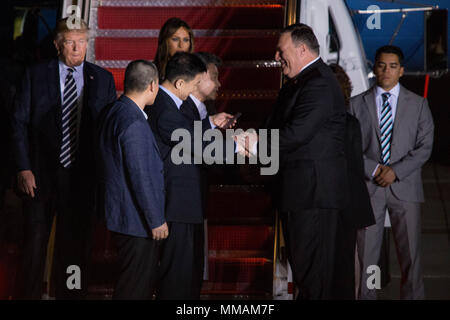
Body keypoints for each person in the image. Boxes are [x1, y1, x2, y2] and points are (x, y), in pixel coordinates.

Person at [11, 17, 117, 299]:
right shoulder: (36, 75)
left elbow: (107, 130)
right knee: (34, 244)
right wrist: (23, 167)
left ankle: (69, 295)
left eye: (82, 41)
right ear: (58, 44)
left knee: (75, 247)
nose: (76, 48)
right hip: (40, 174)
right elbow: (18, 122)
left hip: (81, 178)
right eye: (70, 41)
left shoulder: (102, 79)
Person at [255, 23, 349, 299]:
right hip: (301, 196)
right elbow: (277, 125)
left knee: (313, 278)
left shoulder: (318, 82)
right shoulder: (301, 82)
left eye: (280, 50)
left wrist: (254, 143)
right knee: (306, 274)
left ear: (303, 49)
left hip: (313, 198)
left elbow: (297, 133)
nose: (275, 56)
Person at [146, 52, 234, 299]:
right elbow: (191, 142)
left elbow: (184, 134)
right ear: (180, 84)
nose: (197, 90)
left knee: (184, 275)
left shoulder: (168, 104)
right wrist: (239, 146)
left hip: (182, 203)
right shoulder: (165, 108)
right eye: (196, 84)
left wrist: (210, 123)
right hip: (175, 203)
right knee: (176, 278)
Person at [349, 45, 434, 300]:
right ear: (374, 68)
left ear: (402, 71)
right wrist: (374, 169)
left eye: (393, 66)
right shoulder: (355, 104)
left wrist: (394, 172)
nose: (387, 71)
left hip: (405, 189)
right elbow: (348, 147)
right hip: (369, 189)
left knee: (411, 259)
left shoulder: (418, 105)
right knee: (367, 261)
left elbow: (424, 147)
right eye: (382, 65)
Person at [96, 60, 167, 299]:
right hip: (136, 223)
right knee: (134, 288)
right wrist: (156, 220)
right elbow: (141, 177)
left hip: (124, 218)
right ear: (153, 86)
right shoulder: (134, 121)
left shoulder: (115, 111)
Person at [329, 63, 375, 299]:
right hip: (348, 206)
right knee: (347, 265)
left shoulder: (342, 125)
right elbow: (356, 170)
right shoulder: (350, 123)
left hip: (336, 206)